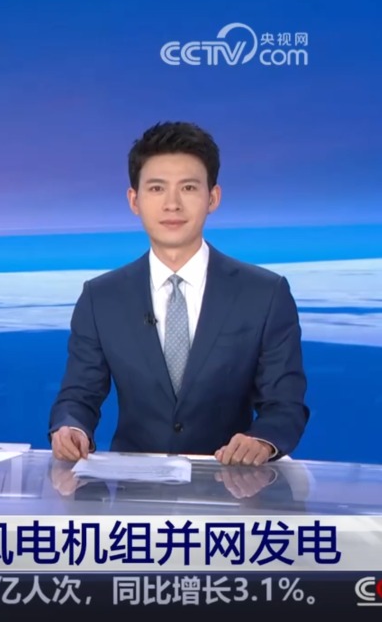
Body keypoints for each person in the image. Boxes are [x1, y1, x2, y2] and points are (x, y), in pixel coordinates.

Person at [47, 121, 309, 466]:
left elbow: (285, 406)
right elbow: (78, 396)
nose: (172, 204)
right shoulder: (101, 298)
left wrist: (262, 440)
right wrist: (71, 428)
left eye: (188, 188)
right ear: (134, 200)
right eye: (157, 188)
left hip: (232, 484)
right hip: (134, 488)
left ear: (212, 197)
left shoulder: (265, 294)